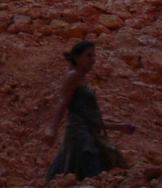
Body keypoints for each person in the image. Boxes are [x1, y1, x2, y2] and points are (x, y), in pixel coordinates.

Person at [47, 41, 136, 180]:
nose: (93, 59)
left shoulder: (82, 80)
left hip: (89, 136)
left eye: (94, 56)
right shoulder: (73, 76)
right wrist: (53, 129)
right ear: (77, 57)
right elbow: (62, 103)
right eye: (89, 55)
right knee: (93, 176)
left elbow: (91, 119)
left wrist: (119, 127)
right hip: (80, 138)